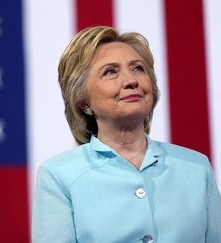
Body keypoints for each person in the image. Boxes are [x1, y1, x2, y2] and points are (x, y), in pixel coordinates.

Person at [31, 26, 221, 243]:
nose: (131, 81)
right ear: (84, 102)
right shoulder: (59, 175)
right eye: (110, 72)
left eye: (138, 69)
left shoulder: (196, 167)